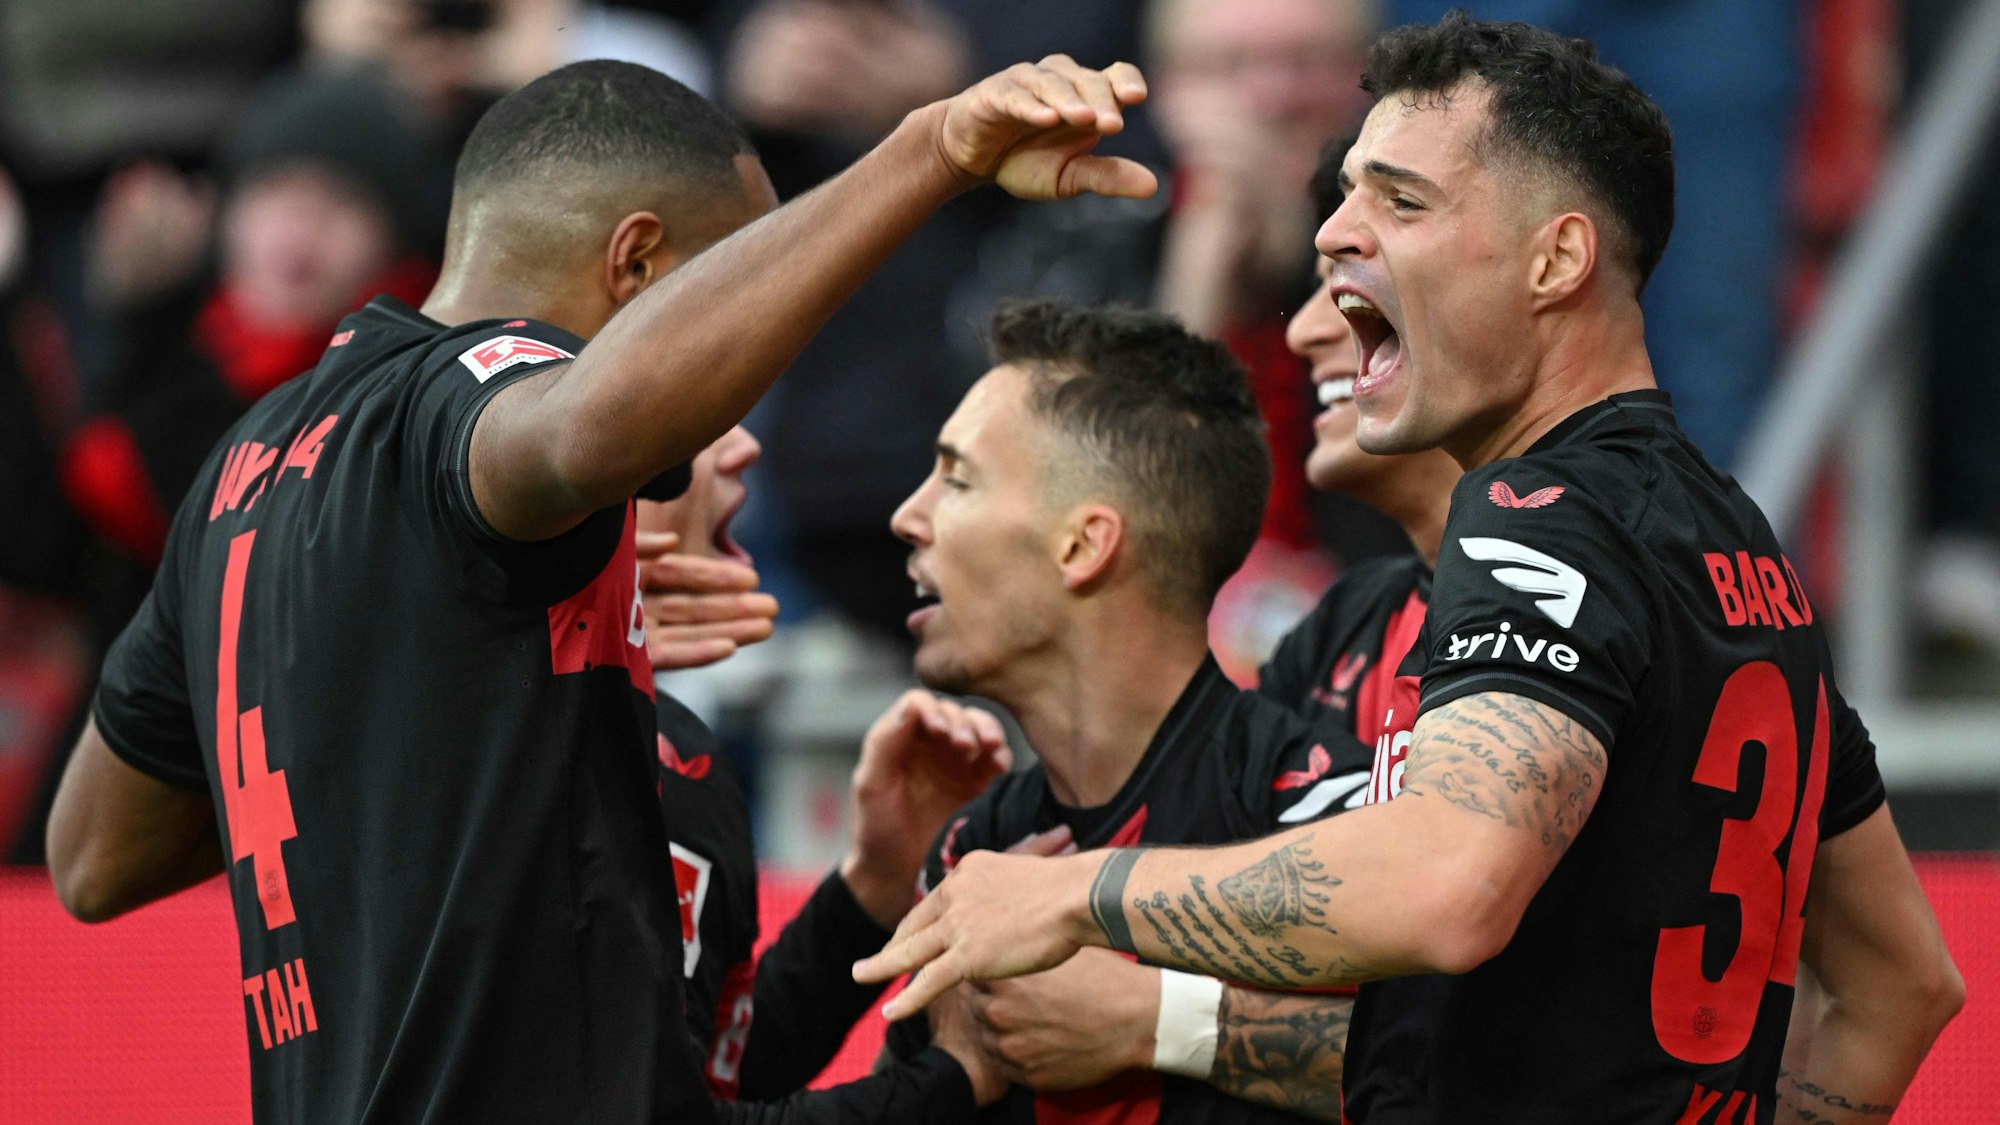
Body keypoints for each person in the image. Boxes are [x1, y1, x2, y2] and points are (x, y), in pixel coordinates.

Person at [856, 16, 1964, 1123]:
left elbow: (1448, 888)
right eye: (1343, 194)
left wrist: (1074, 895)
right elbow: (1897, 986)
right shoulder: (1731, 541)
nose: (1334, 233)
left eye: (1399, 200)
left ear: (1556, 259)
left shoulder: (1537, 511)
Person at [44, 50, 1158, 1121]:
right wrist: (928, 154)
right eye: (732, 288)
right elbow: (578, 427)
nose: (739, 403)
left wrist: (492, 662)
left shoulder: (250, 466)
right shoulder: (475, 403)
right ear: (635, 265)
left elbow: (95, 853)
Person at [874, 298, 1374, 1123]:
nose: (908, 516)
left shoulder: (1325, 821)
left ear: (1084, 544)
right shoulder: (974, 855)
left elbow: (1486, 1079)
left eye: (956, 479)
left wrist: (1161, 1022)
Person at [637, 424, 1014, 1119]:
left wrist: (868, 893)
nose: (741, 445)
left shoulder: (667, 742)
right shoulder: (551, 753)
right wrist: (947, 1077)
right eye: (689, 418)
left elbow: (720, 1065)